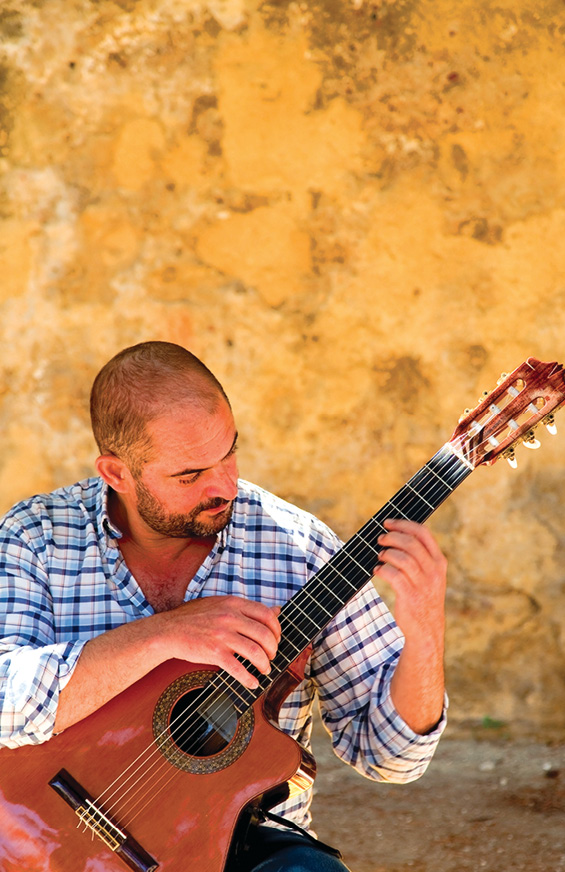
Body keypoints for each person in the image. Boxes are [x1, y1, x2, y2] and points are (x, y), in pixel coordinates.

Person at [0, 341, 448, 871]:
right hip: (40, 824)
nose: (223, 486)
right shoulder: (37, 537)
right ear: (117, 474)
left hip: (243, 842)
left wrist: (424, 630)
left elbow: (392, 756)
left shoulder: (299, 549)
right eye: (189, 476)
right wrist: (162, 635)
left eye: (229, 453)